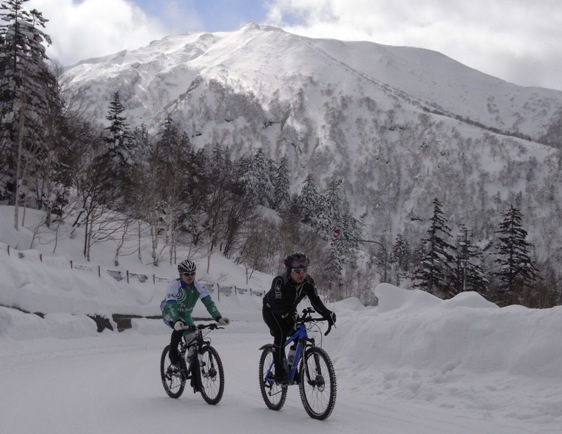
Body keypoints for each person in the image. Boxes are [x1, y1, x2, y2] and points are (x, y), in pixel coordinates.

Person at [262, 252, 336, 383]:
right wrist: (285, 315)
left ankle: (291, 367)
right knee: (280, 334)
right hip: (271, 311)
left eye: (304, 270)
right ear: (290, 270)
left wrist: (327, 314)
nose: (301, 274)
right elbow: (276, 303)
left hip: (289, 311)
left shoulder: (308, 282)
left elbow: (315, 301)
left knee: (298, 335)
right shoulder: (280, 281)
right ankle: (279, 371)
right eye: (297, 271)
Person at [161, 259, 230, 366]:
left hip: (185, 315)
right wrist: (176, 320)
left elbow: (208, 303)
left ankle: (194, 372)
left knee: (194, 344)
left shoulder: (198, 286)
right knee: (180, 327)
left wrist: (218, 317)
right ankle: (172, 352)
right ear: (181, 274)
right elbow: (172, 305)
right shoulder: (173, 286)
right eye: (186, 274)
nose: (190, 276)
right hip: (169, 312)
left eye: (192, 273)